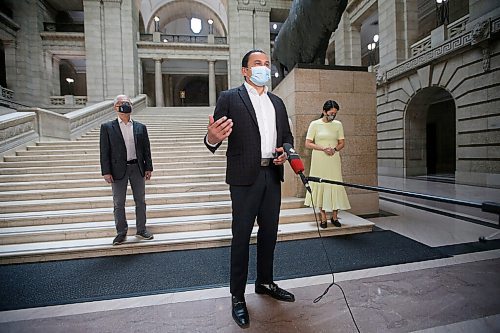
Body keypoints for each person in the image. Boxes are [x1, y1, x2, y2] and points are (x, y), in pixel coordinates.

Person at [204, 49, 295, 328]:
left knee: (270, 234)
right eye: (258, 64)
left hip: (272, 175)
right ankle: (237, 297)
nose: (263, 68)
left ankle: (265, 282)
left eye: (267, 64)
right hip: (244, 179)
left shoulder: (277, 102)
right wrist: (211, 136)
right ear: (245, 70)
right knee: (241, 237)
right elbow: (214, 138)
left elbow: (288, 138)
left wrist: (285, 152)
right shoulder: (230, 98)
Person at [100, 94, 154, 246]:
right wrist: (106, 171)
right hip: (117, 171)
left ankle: (141, 229)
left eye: (128, 102)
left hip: (137, 168)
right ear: (115, 107)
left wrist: (148, 167)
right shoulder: (107, 128)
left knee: (141, 201)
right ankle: (121, 232)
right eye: (122, 103)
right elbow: (104, 151)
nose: (126, 105)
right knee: (119, 203)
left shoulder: (140, 127)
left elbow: (146, 149)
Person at [304, 100, 351, 229]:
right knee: (320, 184)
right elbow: (307, 143)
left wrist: (334, 149)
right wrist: (323, 148)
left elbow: (342, 142)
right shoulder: (315, 124)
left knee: (335, 183)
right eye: (330, 113)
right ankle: (323, 216)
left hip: (333, 158)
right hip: (319, 159)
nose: (332, 116)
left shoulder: (338, 125)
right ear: (324, 111)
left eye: (335, 114)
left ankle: (335, 216)